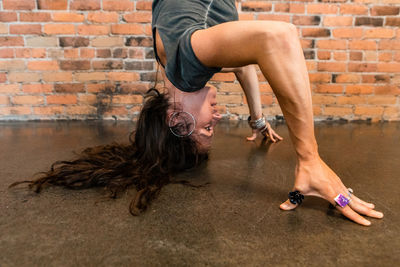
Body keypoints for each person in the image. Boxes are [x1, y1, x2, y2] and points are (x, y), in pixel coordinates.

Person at [10, 0, 383, 226]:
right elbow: (242, 58)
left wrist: (310, 158)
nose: (216, 122)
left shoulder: (187, 70)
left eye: (205, 131)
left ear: (177, 121)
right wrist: (257, 117)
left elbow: (278, 37)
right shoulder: (176, 62)